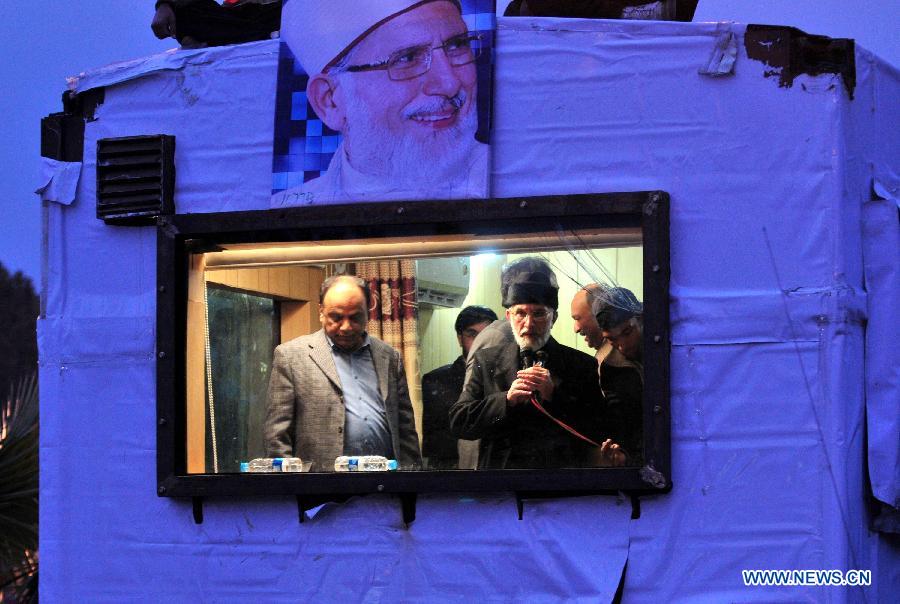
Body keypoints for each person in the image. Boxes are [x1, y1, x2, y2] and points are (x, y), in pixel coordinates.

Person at [273, 0, 489, 206]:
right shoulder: (292, 210)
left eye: (457, 45)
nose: (450, 83)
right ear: (330, 101)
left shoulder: (512, 180)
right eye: (407, 58)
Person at [449, 264, 606, 469]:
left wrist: (554, 395)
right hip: (502, 484)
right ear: (508, 317)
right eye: (520, 313)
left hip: (559, 483)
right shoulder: (485, 360)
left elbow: (598, 428)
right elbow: (458, 422)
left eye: (539, 314)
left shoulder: (581, 364)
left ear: (554, 318)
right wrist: (506, 400)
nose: (528, 324)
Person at [264, 275, 421, 471]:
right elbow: (277, 436)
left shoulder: (389, 357)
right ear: (321, 312)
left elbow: (406, 431)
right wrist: (289, 488)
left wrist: (410, 481)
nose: (346, 327)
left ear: (368, 313)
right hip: (319, 484)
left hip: (384, 484)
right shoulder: (291, 357)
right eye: (336, 317)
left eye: (355, 317)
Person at [421, 305, 497, 469]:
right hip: (451, 473)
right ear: (460, 338)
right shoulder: (436, 380)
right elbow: (433, 442)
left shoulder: (509, 377)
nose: (480, 342)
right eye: (472, 334)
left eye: (487, 335)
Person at [588, 285, 644, 462]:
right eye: (611, 339)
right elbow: (625, 425)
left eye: (627, 332)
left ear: (641, 318)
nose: (622, 346)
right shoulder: (610, 368)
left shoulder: (671, 342)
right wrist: (623, 454)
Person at [151, 0, 282, 48]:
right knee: (184, 13)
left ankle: (262, 36)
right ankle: (265, 36)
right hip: (236, 21)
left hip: (284, 11)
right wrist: (165, 5)